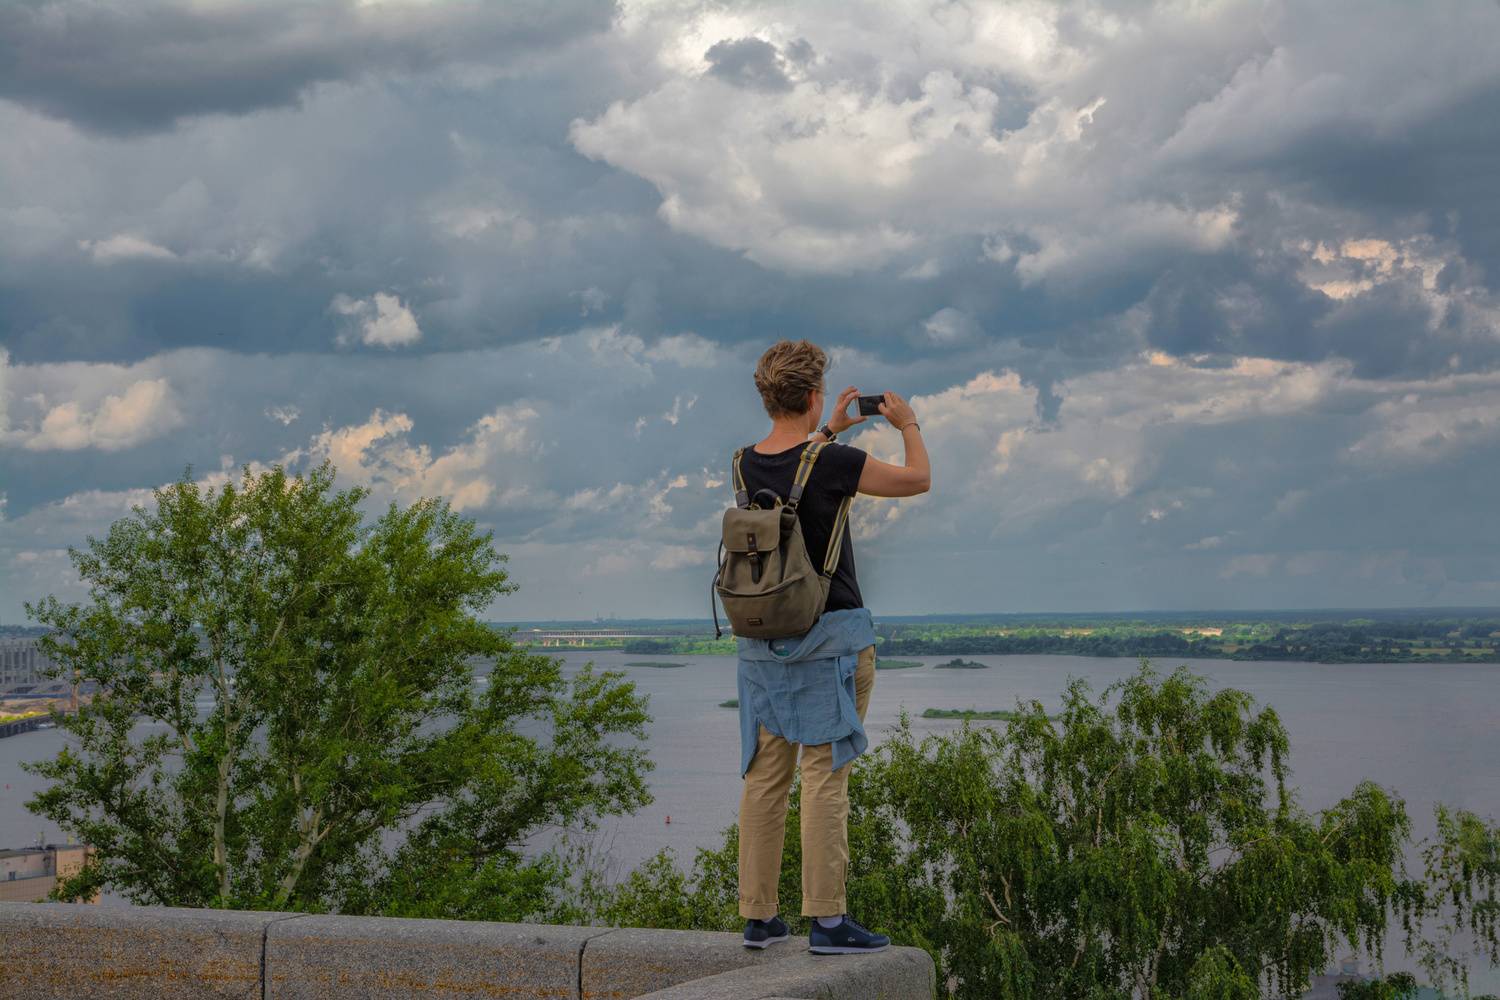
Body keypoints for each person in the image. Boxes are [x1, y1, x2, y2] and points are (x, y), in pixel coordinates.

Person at [731, 338, 931, 954]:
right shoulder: (835, 462)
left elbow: (793, 467)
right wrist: (908, 424)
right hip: (830, 638)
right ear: (815, 394)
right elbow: (918, 480)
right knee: (825, 774)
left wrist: (828, 430)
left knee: (765, 776)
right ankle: (827, 920)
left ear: (767, 396)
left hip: (764, 639)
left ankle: (759, 917)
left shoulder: (742, 462)